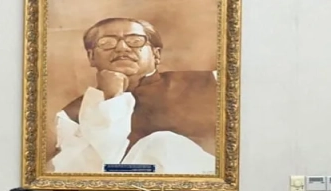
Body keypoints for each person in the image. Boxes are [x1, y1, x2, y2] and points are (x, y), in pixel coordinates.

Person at [50, 17, 217, 174]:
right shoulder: (71, 115)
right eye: (107, 43)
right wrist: (112, 98)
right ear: (91, 57)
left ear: (156, 54)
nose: (122, 48)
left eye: (135, 41)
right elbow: (85, 172)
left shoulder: (213, 82)